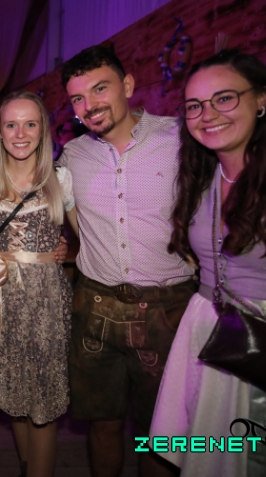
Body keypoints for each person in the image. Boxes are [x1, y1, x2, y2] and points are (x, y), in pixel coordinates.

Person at [149, 50, 266, 476]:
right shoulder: (203, 176)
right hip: (210, 343)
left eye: (224, 98)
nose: (208, 114)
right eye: (194, 105)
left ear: (261, 99)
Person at [60, 45, 198, 477]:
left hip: (167, 308)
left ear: (128, 85)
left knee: (160, 431)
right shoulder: (72, 156)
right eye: (78, 98)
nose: (89, 105)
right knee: (102, 423)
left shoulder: (181, 139)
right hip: (95, 306)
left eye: (100, 89)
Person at [0, 91, 78, 477]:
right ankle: (26, 466)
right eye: (11, 125)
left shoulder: (61, 178)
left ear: (43, 130)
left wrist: (66, 249)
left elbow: (90, 235)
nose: (20, 133)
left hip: (45, 299)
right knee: (15, 392)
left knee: (43, 399)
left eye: (30, 124)